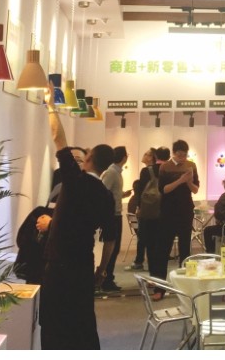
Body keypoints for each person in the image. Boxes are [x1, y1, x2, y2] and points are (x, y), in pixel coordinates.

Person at [38, 101, 117, 349]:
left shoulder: (74, 181)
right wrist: (102, 270)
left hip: (60, 266)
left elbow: (58, 138)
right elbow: (109, 237)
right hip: (84, 265)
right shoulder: (106, 195)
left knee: (53, 324)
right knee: (82, 322)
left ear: (89, 158)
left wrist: (51, 106)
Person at [158, 139, 200, 267]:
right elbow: (163, 190)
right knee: (165, 244)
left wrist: (188, 181)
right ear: (174, 153)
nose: (182, 158)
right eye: (179, 155)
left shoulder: (191, 166)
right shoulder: (165, 167)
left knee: (185, 245)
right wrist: (180, 180)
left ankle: (184, 273)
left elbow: (195, 190)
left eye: (185, 155)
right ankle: (160, 275)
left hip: (186, 209)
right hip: (168, 210)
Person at [98, 146, 132, 292]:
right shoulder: (112, 172)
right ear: (124, 157)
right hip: (111, 215)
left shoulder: (116, 172)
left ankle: (107, 278)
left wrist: (122, 195)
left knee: (114, 248)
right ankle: (105, 279)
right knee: (111, 249)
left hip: (115, 214)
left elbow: (110, 192)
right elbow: (103, 192)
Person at [125, 147, 156, 271]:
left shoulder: (146, 171)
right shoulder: (158, 170)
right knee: (148, 236)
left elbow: (142, 193)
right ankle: (148, 262)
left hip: (146, 208)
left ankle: (140, 261)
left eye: (147, 154)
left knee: (143, 236)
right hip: (154, 208)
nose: (144, 155)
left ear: (151, 157)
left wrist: (139, 207)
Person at [145, 147, 170, 288]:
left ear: (155, 156)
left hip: (149, 213)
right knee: (163, 248)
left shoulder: (146, 171)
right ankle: (161, 279)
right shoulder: (171, 171)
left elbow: (140, 191)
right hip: (166, 213)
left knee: (151, 246)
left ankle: (153, 277)